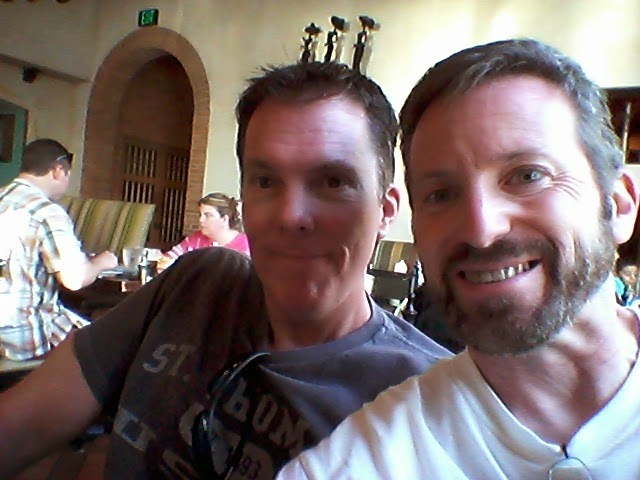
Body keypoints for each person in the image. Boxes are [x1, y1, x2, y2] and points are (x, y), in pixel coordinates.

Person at [0, 62, 451, 479]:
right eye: (266, 181)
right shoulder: (196, 286)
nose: (290, 216)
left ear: (386, 209)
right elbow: (20, 427)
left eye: (333, 181)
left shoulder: (432, 403)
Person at [277, 38, 640, 479]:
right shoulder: (367, 459)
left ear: (619, 205)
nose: (481, 229)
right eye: (442, 194)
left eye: (527, 176)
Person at [0, 139, 117, 361]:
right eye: (67, 176)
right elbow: (75, 279)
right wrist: (101, 262)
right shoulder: (46, 211)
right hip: (22, 338)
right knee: (110, 350)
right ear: (57, 171)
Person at [157, 192, 250, 271]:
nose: (201, 220)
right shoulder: (195, 239)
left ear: (224, 220)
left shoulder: (247, 247)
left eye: (208, 215)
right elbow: (167, 260)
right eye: (200, 215)